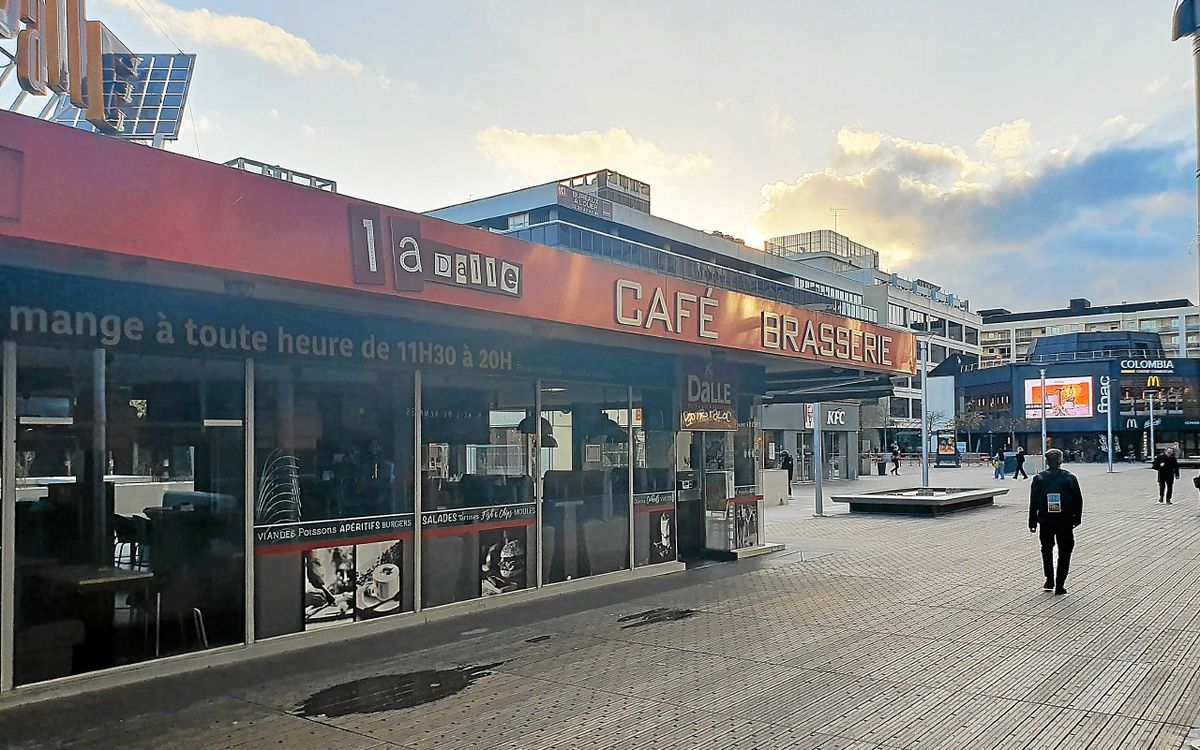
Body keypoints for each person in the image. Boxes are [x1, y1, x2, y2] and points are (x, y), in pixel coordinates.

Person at [1029, 448, 1083, 595]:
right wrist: (1077, 518)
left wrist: (1032, 522)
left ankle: (1049, 579)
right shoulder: (1069, 478)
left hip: (1045, 520)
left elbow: (1033, 502)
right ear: (1061, 461)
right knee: (1065, 551)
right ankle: (1060, 584)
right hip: (1065, 521)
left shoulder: (1039, 479)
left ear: (1047, 461)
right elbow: (1078, 500)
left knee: (1046, 549)